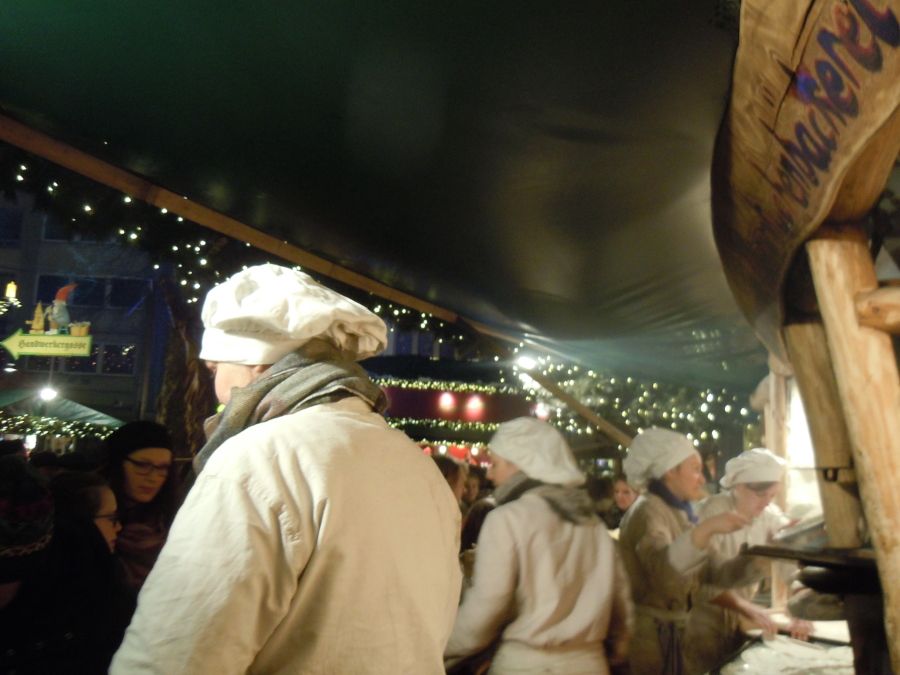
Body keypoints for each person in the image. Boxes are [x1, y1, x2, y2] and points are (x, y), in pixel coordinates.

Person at [112, 264, 461, 674]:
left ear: (256, 363)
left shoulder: (259, 458)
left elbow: (175, 653)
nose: (217, 389)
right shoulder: (416, 466)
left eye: (214, 369)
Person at [444, 417, 633, 675]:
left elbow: (485, 612)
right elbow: (621, 613)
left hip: (527, 664)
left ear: (520, 462)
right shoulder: (594, 527)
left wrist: (442, 648)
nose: (489, 473)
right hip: (590, 664)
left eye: (495, 464)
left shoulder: (508, 519)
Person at [618, 428, 762, 675]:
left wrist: (762, 558)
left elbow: (716, 572)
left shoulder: (681, 512)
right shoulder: (647, 512)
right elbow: (664, 576)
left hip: (677, 631)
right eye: (695, 469)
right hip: (651, 639)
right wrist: (704, 531)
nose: (702, 479)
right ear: (669, 471)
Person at [684, 448, 811, 674]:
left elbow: (789, 567)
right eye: (761, 495)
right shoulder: (707, 515)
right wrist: (745, 606)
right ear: (739, 486)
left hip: (742, 617)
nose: (766, 502)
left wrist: (799, 606)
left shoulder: (770, 516)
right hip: (702, 620)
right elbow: (697, 580)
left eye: (771, 496)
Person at [103, 420, 177, 590]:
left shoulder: (171, 523)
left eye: (163, 468)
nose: (153, 477)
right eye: (143, 465)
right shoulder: (92, 518)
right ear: (117, 463)